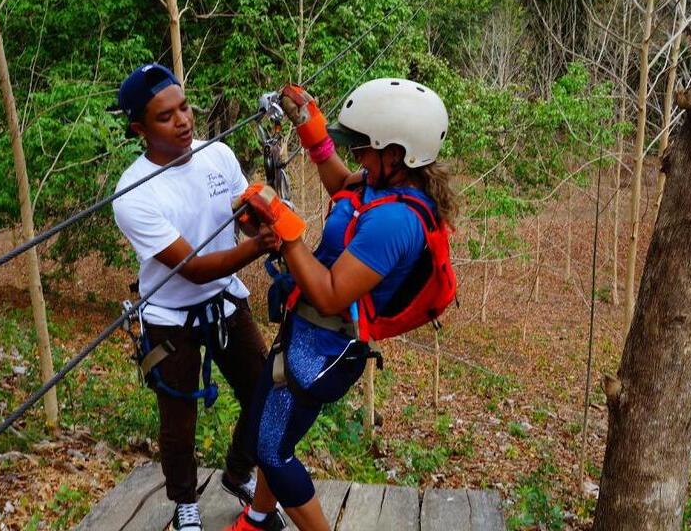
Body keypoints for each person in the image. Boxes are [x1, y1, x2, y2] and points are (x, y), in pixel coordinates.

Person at [226, 78, 460, 531]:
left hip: (326, 349)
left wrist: (286, 230)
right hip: (305, 331)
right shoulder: (378, 184)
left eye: (362, 147)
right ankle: (258, 517)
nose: (354, 156)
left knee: (273, 451)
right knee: (265, 427)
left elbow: (331, 292)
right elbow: (340, 182)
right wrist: (310, 127)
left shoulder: (396, 221)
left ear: (397, 154)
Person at [112, 63, 286, 531]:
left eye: (185, 107)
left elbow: (238, 216)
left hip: (227, 303)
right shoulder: (132, 193)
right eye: (166, 116)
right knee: (178, 418)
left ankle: (236, 472)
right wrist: (258, 246)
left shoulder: (218, 155)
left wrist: (262, 216)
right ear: (140, 129)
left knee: (265, 395)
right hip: (171, 317)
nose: (184, 120)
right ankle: (185, 499)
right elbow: (190, 266)